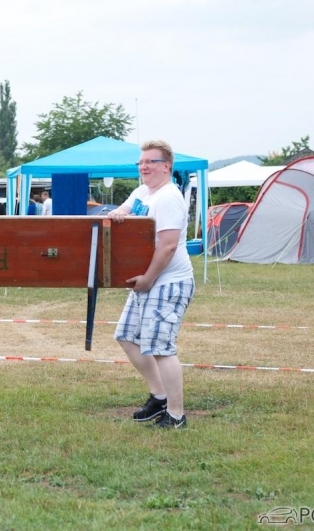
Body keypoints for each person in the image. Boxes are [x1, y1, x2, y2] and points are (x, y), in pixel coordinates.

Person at [107, 140, 194, 429]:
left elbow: (168, 246)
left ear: (166, 166)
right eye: (141, 162)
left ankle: (176, 415)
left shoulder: (169, 197)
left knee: (160, 348)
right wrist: (118, 213)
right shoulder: (143, 191)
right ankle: (160, 397)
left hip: (167, 281)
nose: (143, 167)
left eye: (150, 162)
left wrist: (148, 279)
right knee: (127, 336)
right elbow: (123, 210)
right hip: (147, 280)